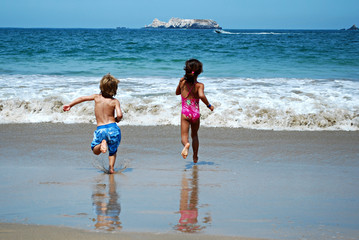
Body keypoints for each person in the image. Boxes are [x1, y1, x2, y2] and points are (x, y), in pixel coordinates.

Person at [63, 74, 123, 174]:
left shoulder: (96, 97)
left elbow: (82, 98)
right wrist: (116, 119)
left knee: (95, 150)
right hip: (113, 128)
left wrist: (70, 105)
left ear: (101, 87)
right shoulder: (115, 101)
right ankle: (111, 169)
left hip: (101, 129)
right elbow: (120, 115)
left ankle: (101, 145)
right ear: (115, 89)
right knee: (113, 151)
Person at [175, 59, 214, 163]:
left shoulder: (182, 82)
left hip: (185, 113)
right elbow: (201, 95)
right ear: (199, 72)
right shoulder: (200, 85)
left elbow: (177, 93)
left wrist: (180, 83)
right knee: (195, 135)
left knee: (184, 136)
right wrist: (209, 105)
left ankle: (186, 144)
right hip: (195, 114)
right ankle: (195, 157)